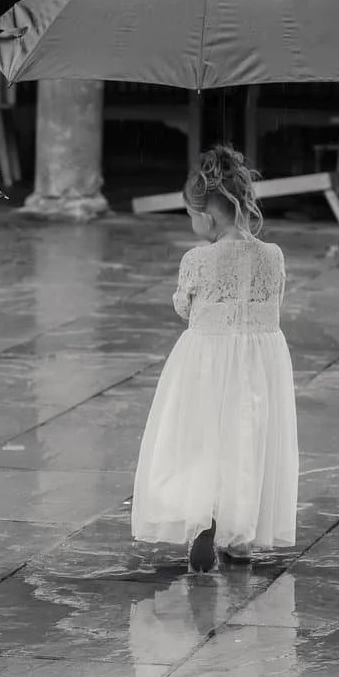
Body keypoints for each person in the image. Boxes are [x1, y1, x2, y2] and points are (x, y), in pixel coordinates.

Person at [131, 145, 299, 573]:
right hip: (260, 365)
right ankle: (240, 532)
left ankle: (204, 518)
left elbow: (185, 309)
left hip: (206, 363)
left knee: (203, 442)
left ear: (205, 215)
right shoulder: (273, 255)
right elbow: (273, 301)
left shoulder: (198, 260)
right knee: (248, 441)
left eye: (190, 213)